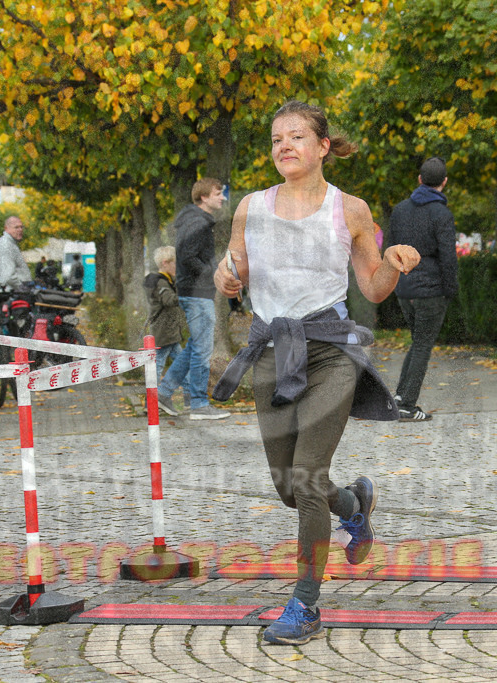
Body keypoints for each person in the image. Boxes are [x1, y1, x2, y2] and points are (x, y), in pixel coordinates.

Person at [212, 100, 420, 645]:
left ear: (323, 146)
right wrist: (226, 279)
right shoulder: (250, 208)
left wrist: (393, 267)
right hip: (270, 352)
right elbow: (234, 269)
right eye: (277, 138)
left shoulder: (350, 209)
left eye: (297, 136)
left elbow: (371, 286)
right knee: (288, 485)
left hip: (329, 350)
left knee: (306, 477)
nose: (284, 145)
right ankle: (354, 504)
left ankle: (305, 605)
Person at [388, 156, 458, 422]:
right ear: (444, 182)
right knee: (423, 345)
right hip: (431, 289)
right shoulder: (442, 214)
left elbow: (391, 250)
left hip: (404, 288)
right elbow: (448, 257)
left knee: (417, 341)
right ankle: (407, 404)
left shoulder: (400, 210)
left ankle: (398, 397)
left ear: (419, 180)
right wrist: (450, 290)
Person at [156, 178, 231, 420]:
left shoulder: (196, 221)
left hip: (196, 292)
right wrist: (212, 273)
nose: (222, 197)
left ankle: (164, 393)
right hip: (197, 293)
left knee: (195, 348)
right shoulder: (196, 222)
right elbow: (187, 256)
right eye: (218, 193)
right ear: (204, 197)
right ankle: (199, 404)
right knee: (202, 349)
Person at [144, 246, 185, 383]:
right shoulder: (161, 282)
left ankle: (190, 398)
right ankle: (151, 400)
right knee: (158, 366)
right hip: (164, 332)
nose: (177, 266)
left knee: (182, 365)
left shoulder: (165, 280)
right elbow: (170, 300)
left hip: (169, 332)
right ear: (165, 263)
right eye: (175, 263)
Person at [0, 216, 32, 291]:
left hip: (15, 293)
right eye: (16, 227)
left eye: (21, 227)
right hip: (13, 295)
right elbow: (8, 277)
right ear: (6, 228)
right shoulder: (6, 245)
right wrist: (24, 289)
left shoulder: (11, 243)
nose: (20, 230)